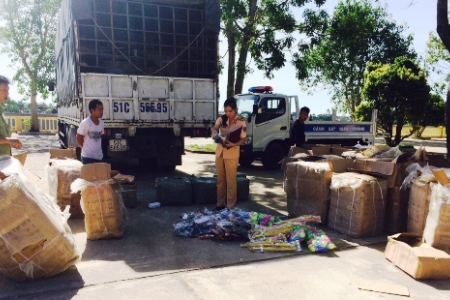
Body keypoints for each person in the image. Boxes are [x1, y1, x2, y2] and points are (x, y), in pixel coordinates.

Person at [211, 97, 247, 211]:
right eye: (226, 111)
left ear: (235, 109)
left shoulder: (241, 122)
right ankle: (220, 204)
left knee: (231, 181)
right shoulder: (222, 119)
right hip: (220, 152)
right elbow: (216, 127)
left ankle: (230, 206)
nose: (228, 113)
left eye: (230, 111)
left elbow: (243, 140)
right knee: (220, 180)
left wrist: (233, 144)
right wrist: (215, 132)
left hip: (232, 153)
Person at [76, 99, 104, 164]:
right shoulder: (86, 123)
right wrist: (85, 148)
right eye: (99, 110)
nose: (102, 112)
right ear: (92, 110)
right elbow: (78, 138)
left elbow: (99, 138)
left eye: (102, 109)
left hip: (99, 157)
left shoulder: (101, 123)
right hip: (88, 157)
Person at [0, 76, 23, 156]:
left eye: (8, 90)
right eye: (4, 90)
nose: (7, 93)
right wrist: (9, 140)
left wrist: (10, 142)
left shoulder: (1, 111)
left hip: (4, 160)